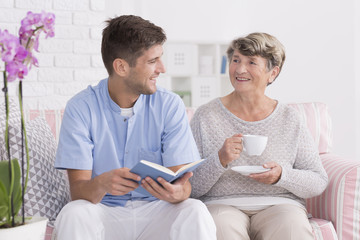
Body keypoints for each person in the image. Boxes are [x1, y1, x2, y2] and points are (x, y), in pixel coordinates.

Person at [52, 15, 216, 240]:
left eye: (160, 59)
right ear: (121, 66)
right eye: (152, 61)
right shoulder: (81, 108)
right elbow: (78, 192)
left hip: (157, 211)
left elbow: (183, 184)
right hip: (104, 211)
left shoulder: (169, 105)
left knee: (195, 210)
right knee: (73, 213)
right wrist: (101, 184)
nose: (162, 68)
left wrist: (178, 192)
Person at [189, 32, 328, 240]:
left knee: (292, 228)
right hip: (222, 204)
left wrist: (282, 176)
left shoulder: (290, 118)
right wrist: (219, 160)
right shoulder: (206, 115)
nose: (240, 69)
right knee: (221, 228)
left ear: (272, 73)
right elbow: (189, 187)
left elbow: (318, 181)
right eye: (236, 60)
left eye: (251, 62)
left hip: (281, 204)